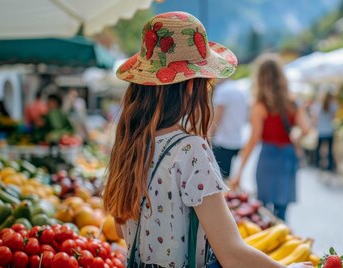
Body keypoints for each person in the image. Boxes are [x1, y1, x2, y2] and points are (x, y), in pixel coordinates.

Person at [102, 12, 312, 268]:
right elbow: (231, 254)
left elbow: (121, 229)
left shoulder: (129, 144)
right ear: (192, 86)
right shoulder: (190, 149)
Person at [230, 54, 311, 221]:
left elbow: (253, 140)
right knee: (282, 210)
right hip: (288, 156)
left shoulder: (260, 105)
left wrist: (239, 172)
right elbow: (306, 129)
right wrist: (294, 137)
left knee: (263, 210)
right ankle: (285, 239)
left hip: (268, 156)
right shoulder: (292, 102)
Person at [208, 79, 248, 180]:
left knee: (220, 180)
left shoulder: (222, 91)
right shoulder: (240, 89)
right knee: (229, 180)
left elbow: (216, 119)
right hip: (237, 141)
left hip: (223, 142)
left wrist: (207, 138)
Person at [311, 91, 337, 171]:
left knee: (318, 149)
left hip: (321, 131)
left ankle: (317, 165)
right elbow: (334, 117)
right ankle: (330, 167)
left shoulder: (318, 106)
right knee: (329, 150)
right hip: (329, 131)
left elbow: (315, 119)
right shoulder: (333, 106)